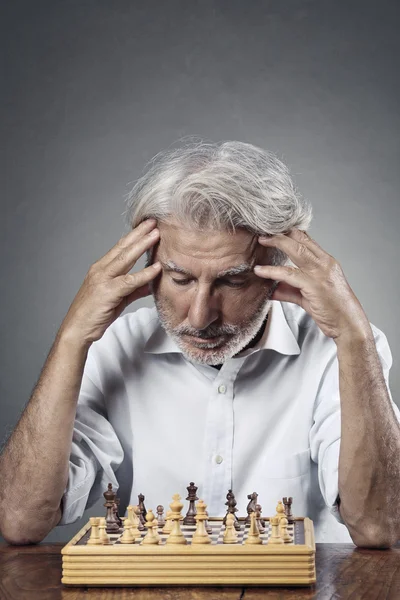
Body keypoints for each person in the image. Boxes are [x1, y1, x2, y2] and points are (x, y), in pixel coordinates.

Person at [1, 139, 400, 547]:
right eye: (180, 278)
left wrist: (355, 338)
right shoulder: (111, 347)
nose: (199, 316)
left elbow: (379, 526)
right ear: (149, 261)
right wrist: (71, 339)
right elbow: (21, 521)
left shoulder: (341, 352)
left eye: (231, 281)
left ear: (276, 271)